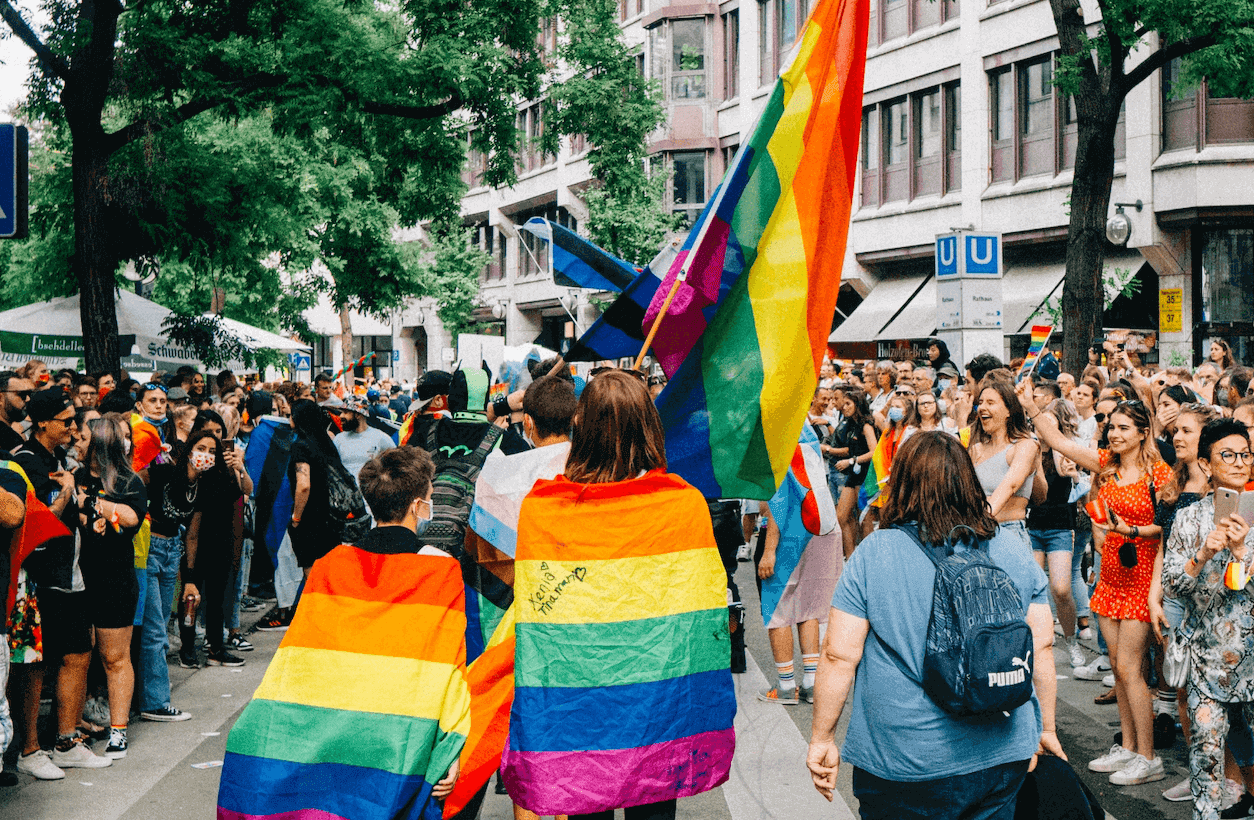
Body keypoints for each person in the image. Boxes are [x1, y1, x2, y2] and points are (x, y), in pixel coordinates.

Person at [500, 371, 734, 820]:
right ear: (649, 426)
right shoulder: (683, 504)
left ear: (581, 426)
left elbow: (538, 612)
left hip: (580, 702)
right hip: (656, 700)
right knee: (653, 803)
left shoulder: (545, 510)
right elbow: (701, 613)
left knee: (586, 799)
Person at [806, 431, 1061, 820]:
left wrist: (823, 737)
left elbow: (839, 655)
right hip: (1003, 750)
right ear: (969, 481)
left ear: (901, 484)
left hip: (907, 759)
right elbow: (1041, 646)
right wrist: (1046, 729)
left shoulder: (876, 552)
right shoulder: (1012, 548)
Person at [217, 445, 468, 819]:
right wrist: (451, 747)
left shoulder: (330, 565)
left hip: (331, 731)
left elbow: (298, 660)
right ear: (418, 505)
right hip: (397, 737)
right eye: (430, 497)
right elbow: (450, 667)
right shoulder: (440, 570)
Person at [1018, 382, 1171, 784]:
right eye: (1111, 427)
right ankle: (1129, 747)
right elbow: (1057, 441)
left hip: (1142, 577)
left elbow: (1168, 528)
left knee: (1130, 669)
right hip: (1110, 576)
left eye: (1123, 428)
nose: (1114, 433)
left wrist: (1130, 530)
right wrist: (1030, 405)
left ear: (1143, 432)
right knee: (1119, 671)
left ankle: (1149, 757)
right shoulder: (1106, 465)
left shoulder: (1159, 472)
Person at [13, 391, 111, 769]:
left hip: (69, 574)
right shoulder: (25, 462)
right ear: (42, 422)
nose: (73, 427)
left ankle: (66, 742)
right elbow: (37, 522)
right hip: (42, 578)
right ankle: (30, 749)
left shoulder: (57, 459)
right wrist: (68, 490)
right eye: (66, 421)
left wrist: (86, 509)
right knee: (37, 663)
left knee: (78, 653)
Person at [1164, 418, 1254, 819]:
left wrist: (1241, 552)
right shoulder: (1188, 518)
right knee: (1206, 754)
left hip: (1252, 656)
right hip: (1205, 660)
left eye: (1245, 455)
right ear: (1205, 464)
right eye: (1227, 455)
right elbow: (1172, 585)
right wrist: (1202, 555)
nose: (1239, 463)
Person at [75, 415, 146, 760]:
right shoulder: (72, 477)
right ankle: (72, 728)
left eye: (82, 437)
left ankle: (119, 730)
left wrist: (90, 502)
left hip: (114, 580)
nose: (75, 441)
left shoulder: (129, 481)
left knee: (114, 658)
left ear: (98, 444)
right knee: (75, 658)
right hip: (75, 580)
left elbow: (131, 518)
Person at [756, 429, 840, 706]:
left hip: (791, 536)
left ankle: (785, 686)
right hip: (822, 528)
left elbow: (778, 503)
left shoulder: (776, 436)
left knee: (778, 609)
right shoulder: (808, 435)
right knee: (809, 605)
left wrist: (769, 551)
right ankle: (811, 684)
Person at [176, 430, 248, 668]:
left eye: (212, 451)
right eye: (201, 449)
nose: (206, 455)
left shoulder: (222, 475)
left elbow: (245, 490)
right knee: (190, 598)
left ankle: (216, 648)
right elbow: (192, 530)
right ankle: (187, 649)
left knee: (217, 599)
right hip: (192, 546)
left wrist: (239, 468)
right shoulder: (184, 476)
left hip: (220, 544)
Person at [1027, 398, 1084, 669]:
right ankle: (1039, 643)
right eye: (1039, 424)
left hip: (1061, 526)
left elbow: (1068, 473)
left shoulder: (1064, 451)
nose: (1043, 428)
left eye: (1049, 424)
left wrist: (1072, 470)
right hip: (1032, 527)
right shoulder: (1029, 451)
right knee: (1035, 588)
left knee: (1061, 589)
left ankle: (1071, 640)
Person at [967, 379, 1039, 550]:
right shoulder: (975, 449)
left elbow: (1011, 484)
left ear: (1009, 410)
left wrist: (983, 518)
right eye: (980, 402)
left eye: (990, 402)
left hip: (1008, 533)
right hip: (976, 533)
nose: (982, 407)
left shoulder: (1024, 445)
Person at [289, 402, 348, 574]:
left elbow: (303, 485)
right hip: (332, 517)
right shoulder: (327, 443)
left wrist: (296, 518)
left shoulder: (300, 446)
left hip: (310, 518)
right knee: (330, 572)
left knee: (313, 574)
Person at [825, 387, 877, 559]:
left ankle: (869, 559)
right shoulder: (850, 424)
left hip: (864, 474)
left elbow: (874, 451)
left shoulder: (866, 425)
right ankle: (851, 555)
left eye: (848, 404)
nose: (844, 407)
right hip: (853, 475)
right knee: (841, 516)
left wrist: (852, 461)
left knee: (865, 519)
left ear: (857, 404)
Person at [334, 396, 396, 480]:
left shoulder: (380, 437)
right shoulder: (338, 439)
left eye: (345, 412)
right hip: (345, 488)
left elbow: (397, 464)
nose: (341, 416)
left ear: (358, 415)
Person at [0, 372, 33, 455]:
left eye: (28, 393)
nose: (28, 399)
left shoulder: (11, 435)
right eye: (22, 394)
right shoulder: (8, 439)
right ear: (0, 398)